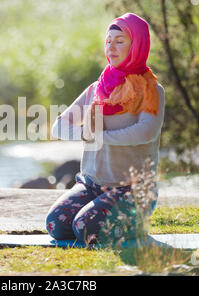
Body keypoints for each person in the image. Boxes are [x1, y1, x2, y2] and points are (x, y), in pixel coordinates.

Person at [46, 13, 165, 245]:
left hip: (132, 190)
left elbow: (147, 131)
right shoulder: (97, 89)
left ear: (137, 45)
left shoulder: (151, 90)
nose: (111, 47)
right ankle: (111, 218)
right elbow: (58, 126)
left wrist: (100, 138)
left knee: (85, 228)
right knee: (56, 225)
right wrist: (84, 135)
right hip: (91, 186)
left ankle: (136, 221)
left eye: (120, 41)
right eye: (108, 40)